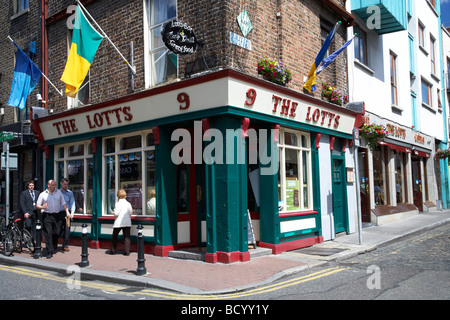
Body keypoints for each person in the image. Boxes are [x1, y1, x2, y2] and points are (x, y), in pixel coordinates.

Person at [36, 180, 70, 259]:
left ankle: (53, 244)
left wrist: (67, 211)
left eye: (55, 185)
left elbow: (63, 203)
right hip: (47, 215)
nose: (54, 186)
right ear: (48, 185)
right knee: (48, 234)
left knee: (57, 231)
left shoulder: (58, 192)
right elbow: (37, 205)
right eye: (52, 185)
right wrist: (42, 207)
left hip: (57, 215)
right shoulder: (43, 194)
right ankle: (49, 251)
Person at [108, 189, 132, 256]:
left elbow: (116, 214)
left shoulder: (118, 204)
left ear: (118, 195)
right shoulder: (128, 203)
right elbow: (131, 212)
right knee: (127, 237)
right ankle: (127, 252)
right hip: (127, 222)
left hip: (119, 222)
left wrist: (113, 211)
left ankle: (113, 250)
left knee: (114, 236)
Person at [59, 178, 75, 252]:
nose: (65, 186)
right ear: (61, 183)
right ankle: (54, 242)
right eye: (64, 184)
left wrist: (72, 213)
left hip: (67, 213)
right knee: (58, 229)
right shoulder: (57, 192)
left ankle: (65, 245)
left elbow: (72, 203)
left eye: (67, 185)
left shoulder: (70, 193)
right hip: (58, 212)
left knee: (67, 229)